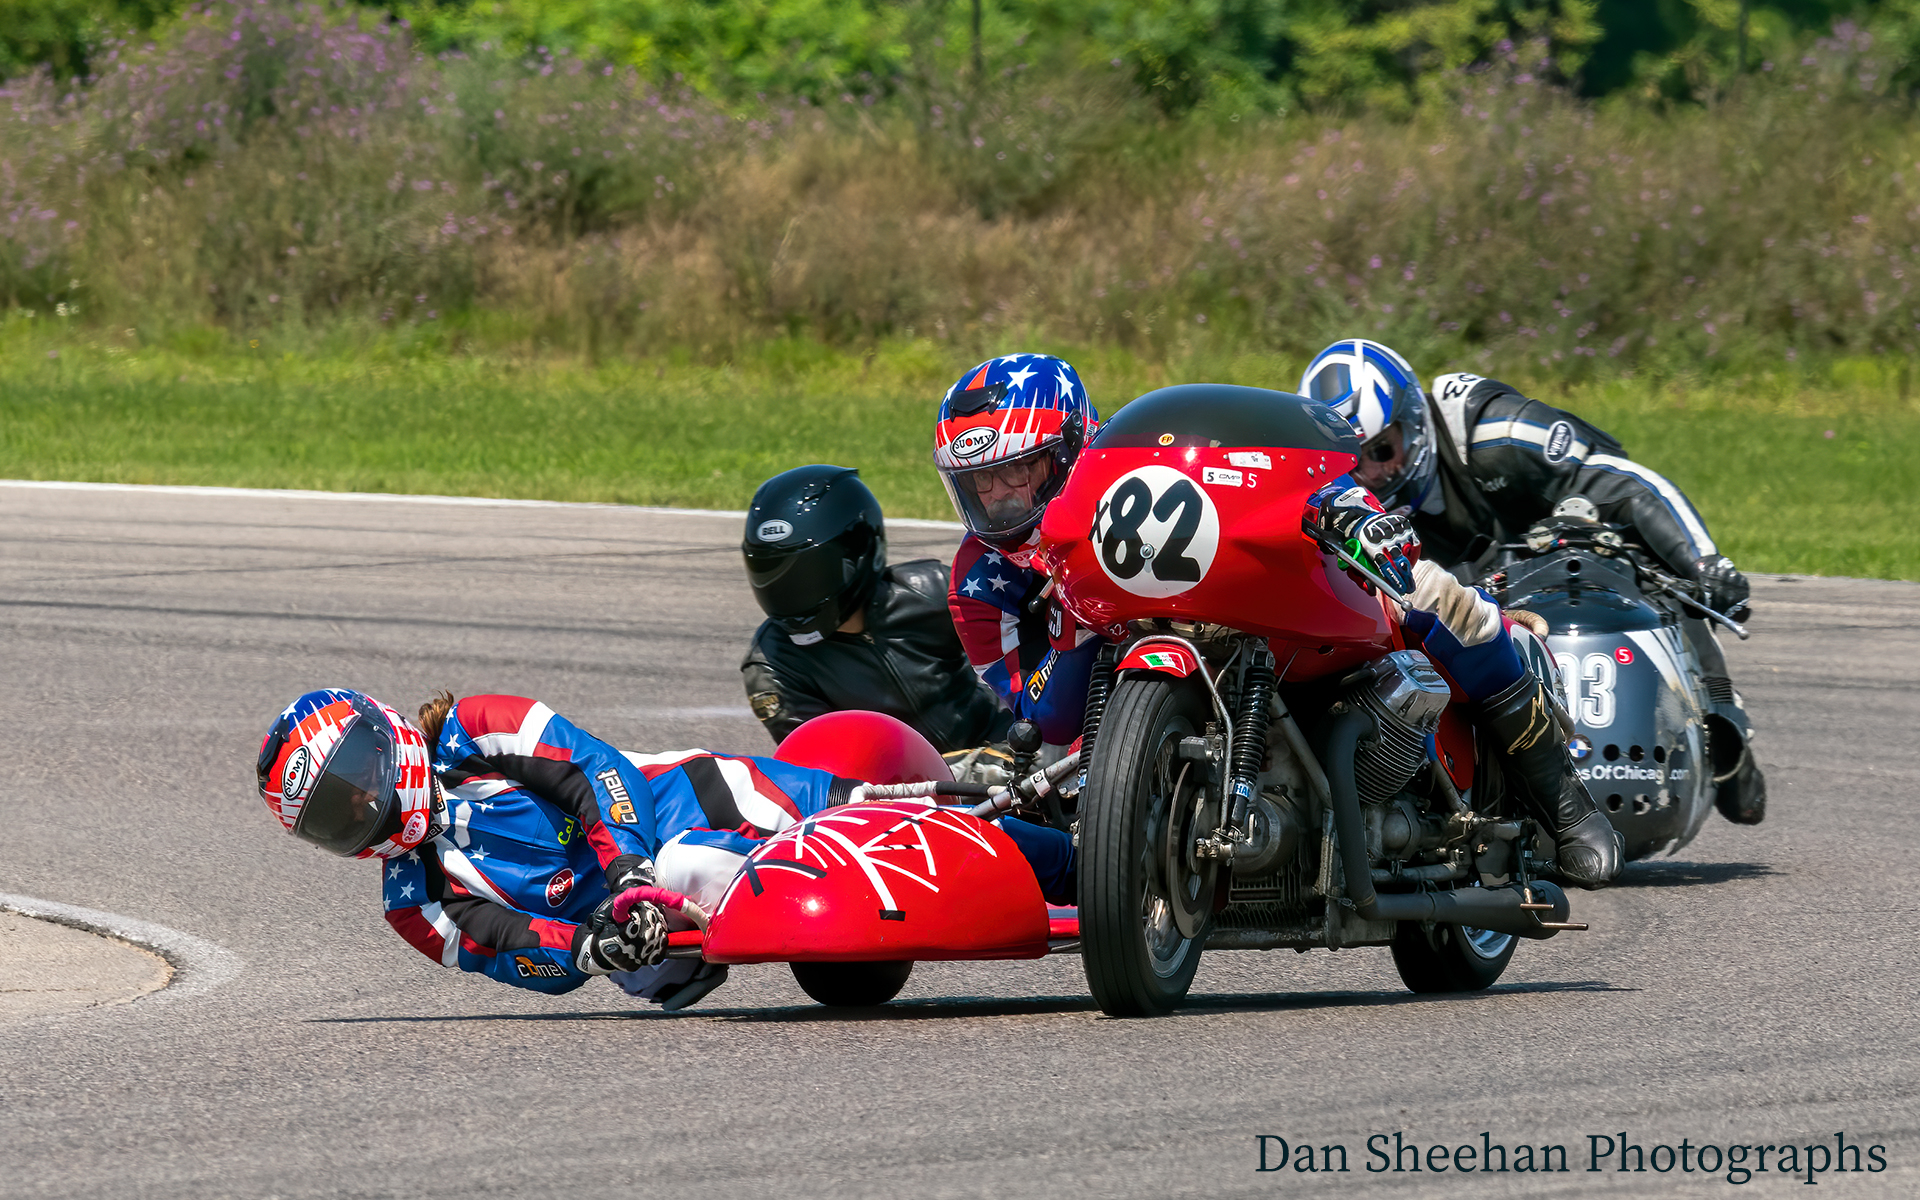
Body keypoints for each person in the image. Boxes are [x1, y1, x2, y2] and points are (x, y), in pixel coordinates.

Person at [256, 690, 1076, 1007]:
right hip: (650, 935)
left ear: (386, 734)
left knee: (893, 820)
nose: (364, 808)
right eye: (336, 816)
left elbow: (593, 773)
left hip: (697, 802)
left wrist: (623, 872)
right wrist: (591, 945)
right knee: (680, 892)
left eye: (356, 781)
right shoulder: (414, 903)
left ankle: (1079, 858)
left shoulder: (476, 727)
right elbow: (512, 954)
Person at [1298, 338, 1766, 827]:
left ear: (1414, 421)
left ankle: (1723, 725)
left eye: (1383, 449)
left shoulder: (1493, 430)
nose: (1376, 472)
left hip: (1596, 563)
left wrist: (1707, 563)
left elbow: (1625, 484)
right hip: (1489, 595)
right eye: (1357, 461)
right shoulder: (1345, 500)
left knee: (1681, 588)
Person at [740, 464, 1012, 753]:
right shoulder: (772, 667)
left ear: (859, 551)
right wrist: (957, 774)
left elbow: (1030, 655)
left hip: (1004, 747)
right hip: (901, 789)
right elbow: (829, 764)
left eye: (808, 576)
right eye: (773, 576)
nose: (790, 594)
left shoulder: (931, 588)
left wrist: (1016, 743)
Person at [933, 353, 1104, 753]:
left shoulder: (1140, 483)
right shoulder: (974, 579)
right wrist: (1076, 614)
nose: (996, 496)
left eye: (1015, 470)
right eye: (979, 479)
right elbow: (1040, 724)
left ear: (1068, 452)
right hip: (1098, 741)